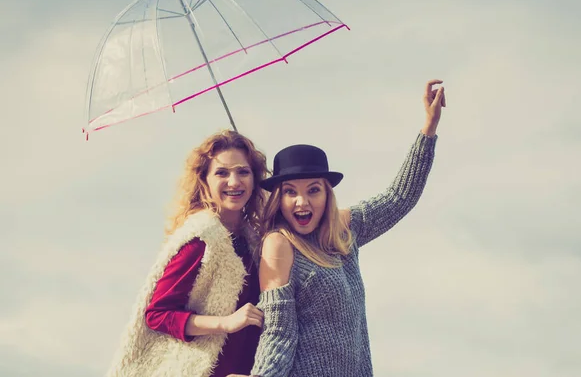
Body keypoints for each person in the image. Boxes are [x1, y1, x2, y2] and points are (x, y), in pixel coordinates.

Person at [241, 80, 446, 377]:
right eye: (290, 192)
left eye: (313, 190)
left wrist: (429, 126)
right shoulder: (278, 244)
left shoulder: (344, 230)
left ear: (327, 193)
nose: (302, 201)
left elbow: (399, 198)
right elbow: (278, 334)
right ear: (279, 198)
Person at [107, 130, 269, 377]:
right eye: (222, 173)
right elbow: (158, 314)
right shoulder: (202, 239)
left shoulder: (255, 240)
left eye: (243, 171)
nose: (234, 182)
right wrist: (225, 322)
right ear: (204, 180)